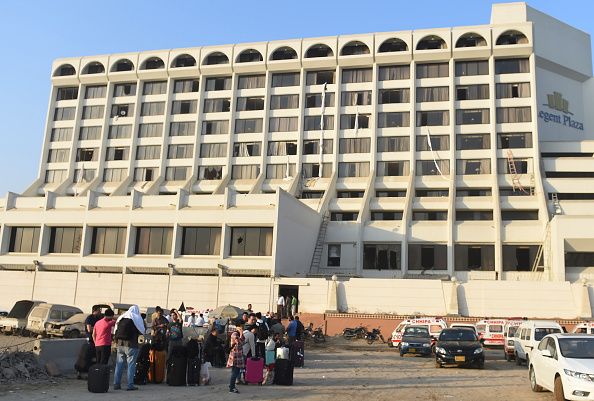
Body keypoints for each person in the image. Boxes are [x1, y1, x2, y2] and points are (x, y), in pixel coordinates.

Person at [113, 305, 144, 391]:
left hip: (120, 344)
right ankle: (130, 385)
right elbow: (142, 331)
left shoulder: (122, 317)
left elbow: (115, 330)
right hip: (131, 345)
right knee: (131, 365)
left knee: (119, 364)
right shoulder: (136, 318)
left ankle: (116, 384)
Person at [227, 330, 244, 394]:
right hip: (236, 356)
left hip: (235, 356)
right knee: (235, 372)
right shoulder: (235, 335)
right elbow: (240, 344)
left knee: (234, 372)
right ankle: (232, 388)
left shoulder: (235, 334)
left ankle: (231, 385)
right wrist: (241, 333)